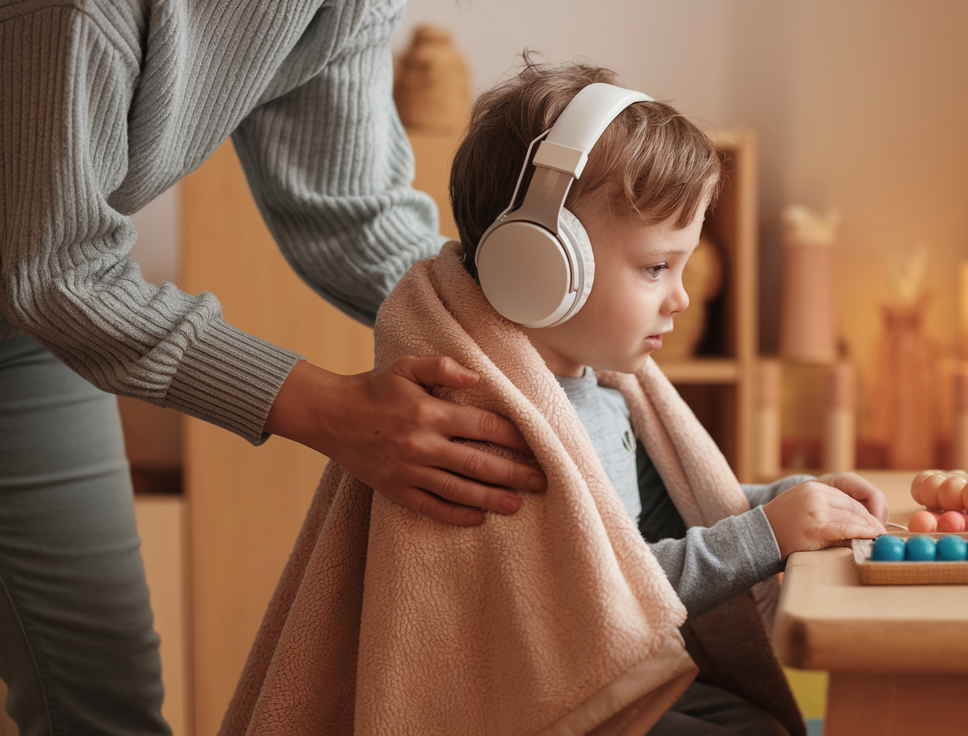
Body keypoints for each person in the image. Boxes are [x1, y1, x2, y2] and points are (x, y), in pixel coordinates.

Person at [0, 1, 543, 733]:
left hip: (28, 313)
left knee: (101, 702)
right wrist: (332, 411)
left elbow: (353, 209)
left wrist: (521, 351)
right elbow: (56, 270)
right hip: (41, 280)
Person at [449, 60, 890, 735]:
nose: (681, 298)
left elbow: (660, 528)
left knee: (763, 722)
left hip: (618, 673)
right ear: (538, 264)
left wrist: (788, 500)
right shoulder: (505, 425)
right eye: (656, 267)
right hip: (549, 706)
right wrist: (767, 536)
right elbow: (610, 589)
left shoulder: (599, 391)